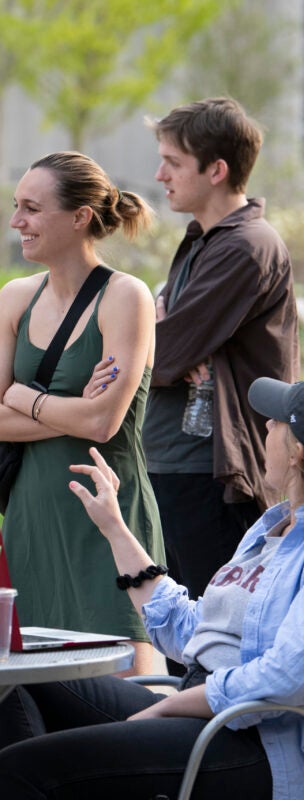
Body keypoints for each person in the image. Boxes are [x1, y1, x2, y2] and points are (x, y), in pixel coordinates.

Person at [0, 376, 304, 800]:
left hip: (250, 739)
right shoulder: (270, 529)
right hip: (199, 711)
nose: (264, 427)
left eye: (277, 421)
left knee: (21, 768)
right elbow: (190, 629)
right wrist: (114, 528)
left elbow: (288, 676)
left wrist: (169, 706)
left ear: (299, 448)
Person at [0, 151, 164, 674]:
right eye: (16, 207)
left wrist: (23, 396)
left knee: (127, 703)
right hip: (31, 520)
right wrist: (71, 407)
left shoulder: (126, 297)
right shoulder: (14, 298)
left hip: (106, 523)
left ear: (79, 217)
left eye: (31, 208)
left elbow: (103, 424)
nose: (17, 222)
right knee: (33, 695)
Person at [143, 97, 298, 622]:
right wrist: (159, 335)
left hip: (211, 471)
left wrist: (159, 336)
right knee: (177, 630)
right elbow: (160, 344)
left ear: (217, 170)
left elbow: (160, 352)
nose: (159, 174)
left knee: (210, 637)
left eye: (174, 162)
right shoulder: (200, 241)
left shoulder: (245, 247)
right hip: (173, 461)